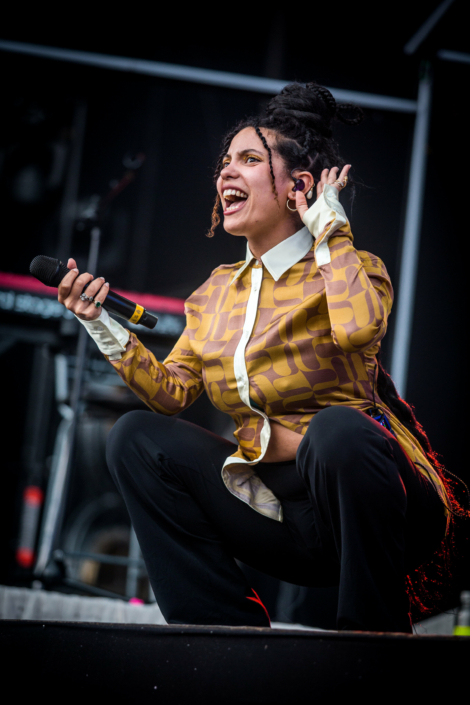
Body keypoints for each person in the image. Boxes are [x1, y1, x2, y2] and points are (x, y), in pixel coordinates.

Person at [57, 82, 454, 633]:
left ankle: (372, 637)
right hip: (280, 515)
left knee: (338, 429)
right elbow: (170, 395)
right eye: (224, 163)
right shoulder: (216, 291)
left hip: (371, 507)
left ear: (300, 187)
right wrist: (99, 323)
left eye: (248, 160)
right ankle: (223, 638)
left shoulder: (352, 265)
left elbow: (359, 327)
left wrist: (330, 230)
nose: (225, 173)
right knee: (136, 438)